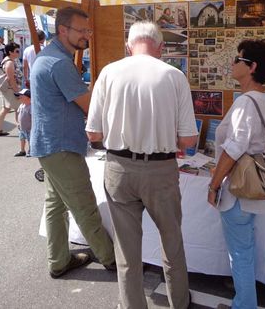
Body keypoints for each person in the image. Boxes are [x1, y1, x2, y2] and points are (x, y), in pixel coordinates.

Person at [85, 21, 198, 309]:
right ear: (161, 47)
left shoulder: (108, 73)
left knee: (126, 249)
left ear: (128, 46)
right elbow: (188, 139)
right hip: (161, 170)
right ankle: (179, 303)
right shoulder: (174, 76)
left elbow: (93, 134)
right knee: (172, 242)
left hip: (119, 168)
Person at [29, 6, 115, 279]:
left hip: (49, 144)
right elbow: (89, 106)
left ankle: (58, 261)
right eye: (82, 30)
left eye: (88, 30)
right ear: (62, 29)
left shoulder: (48, 57)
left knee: (55, 205)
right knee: (84, 205)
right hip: (61, 146)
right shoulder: (59, 63)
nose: (86, 36)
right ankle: (113, 259)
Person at [207, 39, 265, 309]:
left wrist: (213, 185)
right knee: (244, 248)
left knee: (240, 251)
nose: (233, 63)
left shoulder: (247, 103)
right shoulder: (260, 101)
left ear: (252, 67)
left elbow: (234, 148)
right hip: (250, 186)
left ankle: (243, 305)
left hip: (238, 188)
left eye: (238, 59)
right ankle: (243, 300)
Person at [0, 42, 22, 136]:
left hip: (7, 89)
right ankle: (22, 130)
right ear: (10, 52)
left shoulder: (9, 60)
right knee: (18, 109)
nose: (19, 52)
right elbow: (11, 79)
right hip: (11, 89)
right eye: (17, 51)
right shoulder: (9, 63)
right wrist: (17, 92)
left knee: (6, 109)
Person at [14, 88, 31, 157]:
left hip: (29, 128)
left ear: (28, 97)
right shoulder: (21, 105)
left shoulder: (31, 107)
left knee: (30, 140)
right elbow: (18, 114)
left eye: (21, 95)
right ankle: (22, 150)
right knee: (22, 139)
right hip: (21, 128)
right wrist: (18, 123)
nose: (19, 97)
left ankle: (31, 151)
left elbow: (34, 118)